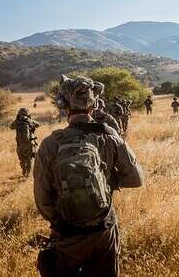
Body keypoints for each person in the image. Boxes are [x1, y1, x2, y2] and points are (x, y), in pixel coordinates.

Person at [34, 75, 144, 277]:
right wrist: (107, 180)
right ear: (93, 104)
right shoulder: (109, 137)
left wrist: (63, 221)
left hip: (67, 236)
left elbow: (42, 200)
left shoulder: (50, 144)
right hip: (103, 231)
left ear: (63, 106)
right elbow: (136, 179)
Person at [10, 107, 40, 177]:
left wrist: (17, 119)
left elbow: (11, 127)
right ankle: (28, 174)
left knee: (22, 160)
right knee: (29, 158)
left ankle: (24, 171)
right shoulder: (29, 121)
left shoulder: (17, 121)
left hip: (20, 145)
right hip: (29, 143)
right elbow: (38, 124)